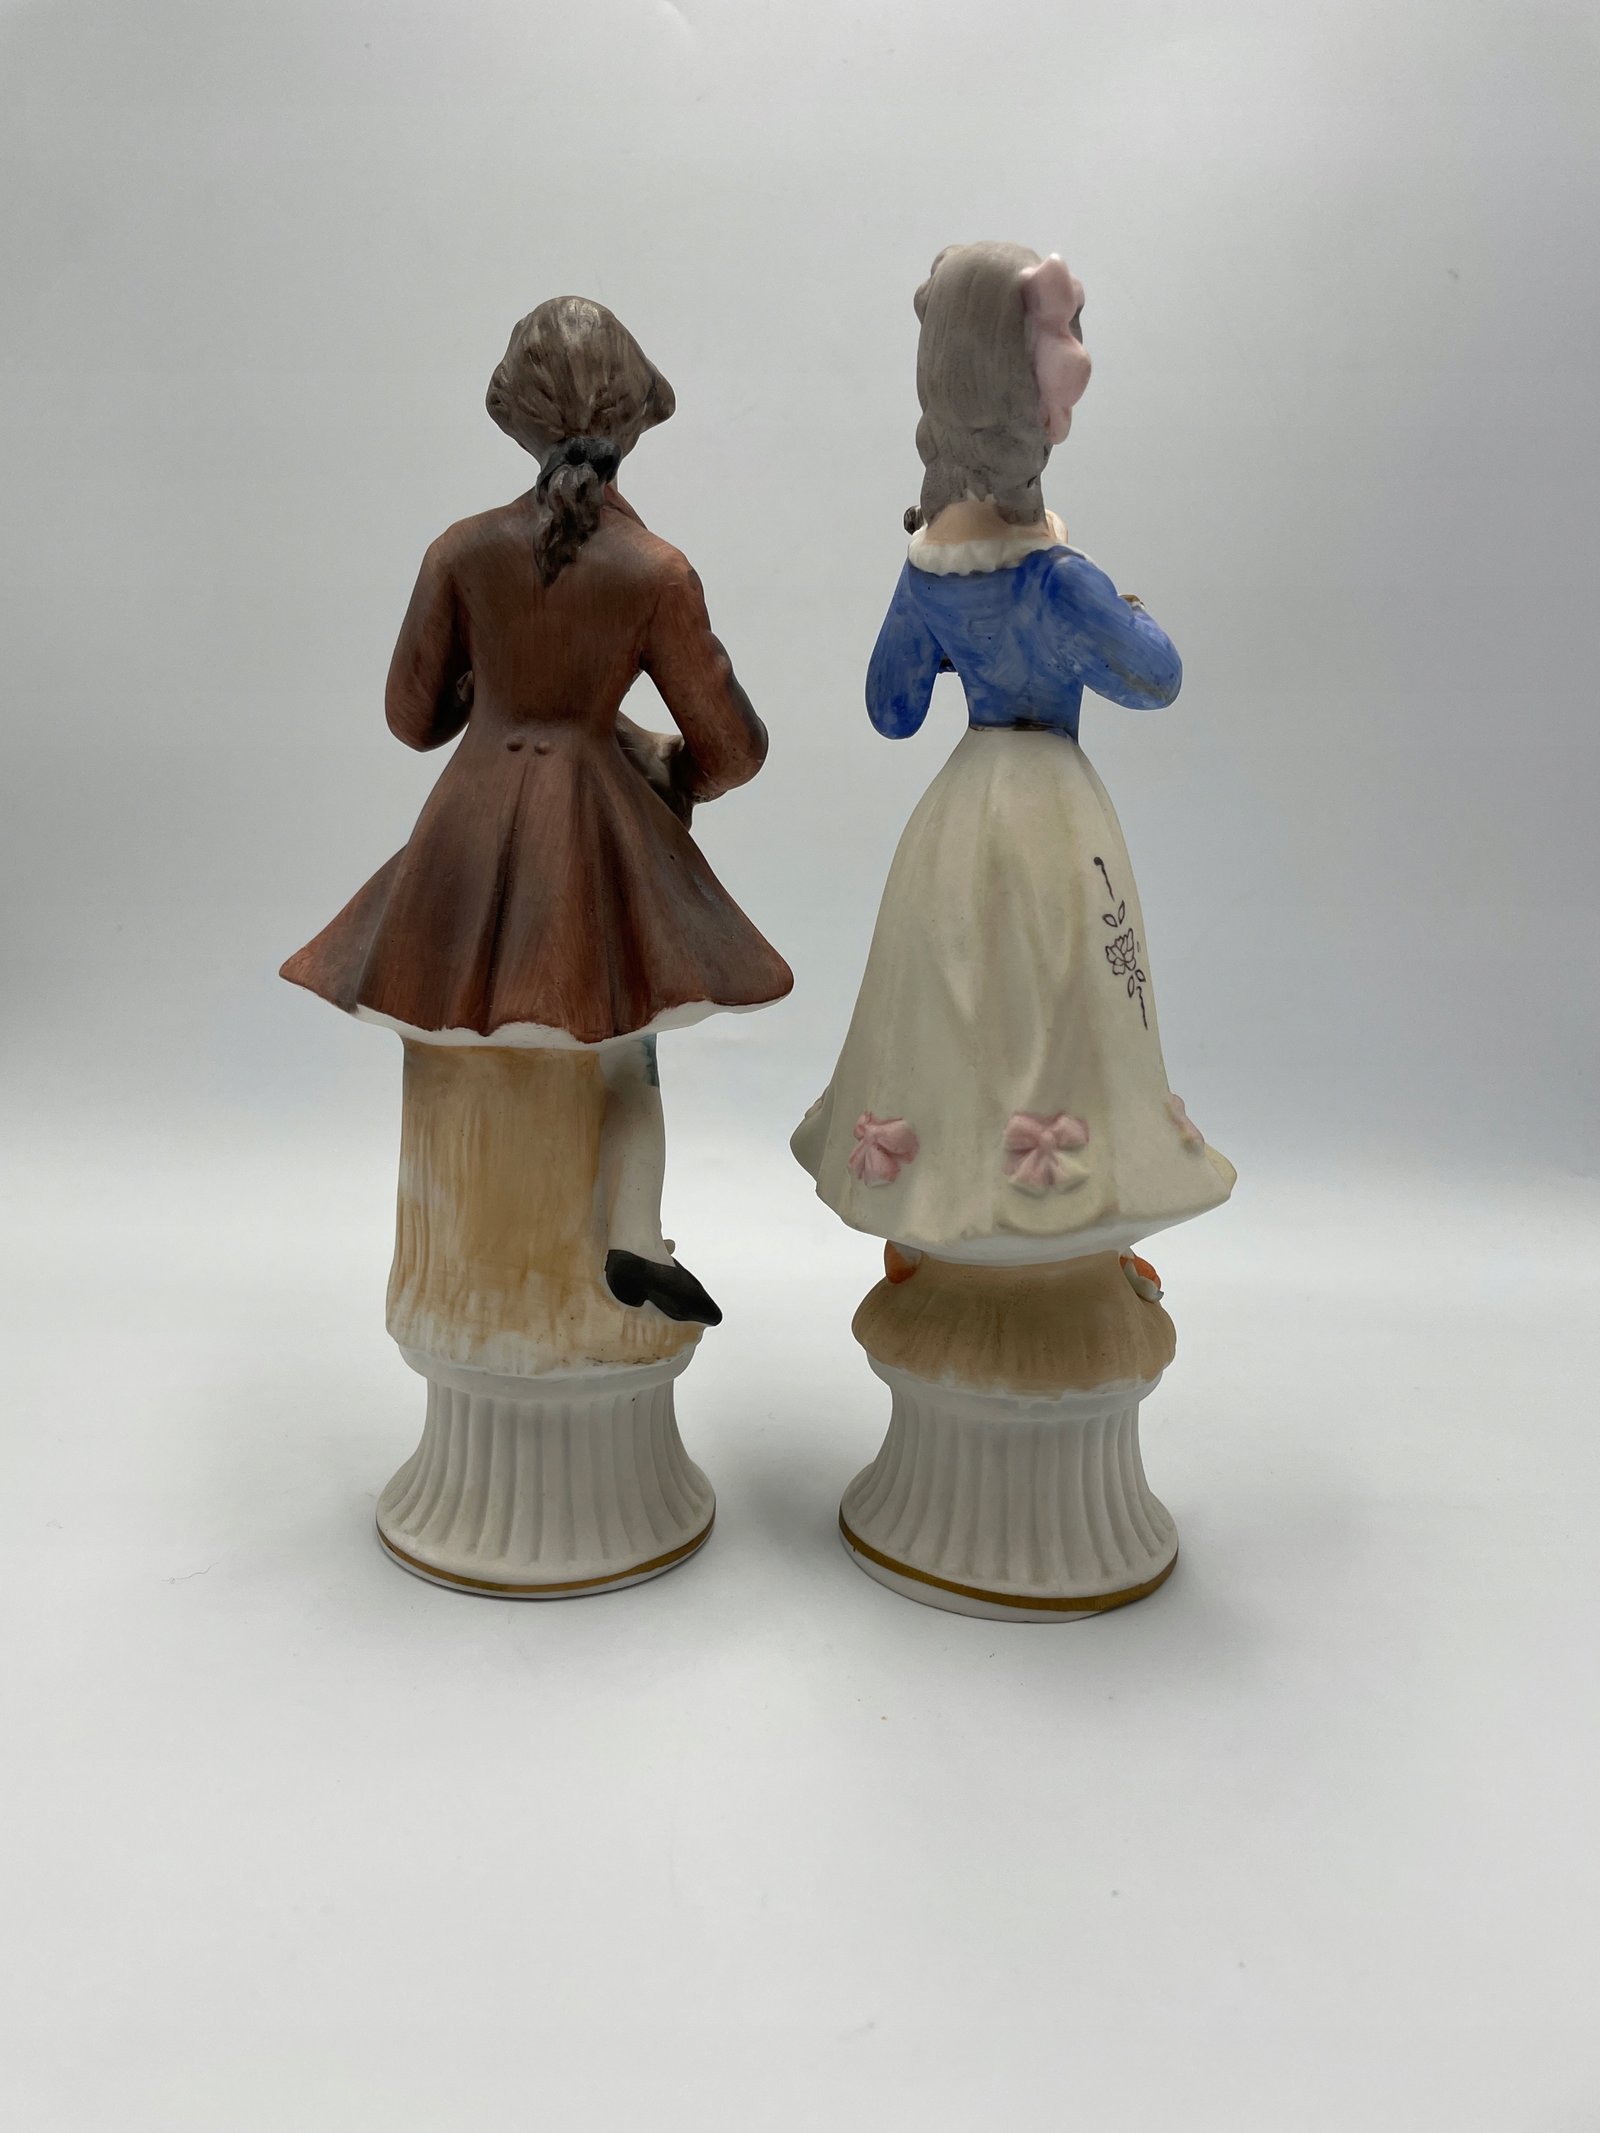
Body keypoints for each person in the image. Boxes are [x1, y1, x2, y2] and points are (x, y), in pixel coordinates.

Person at [284, 296, 791, 1324]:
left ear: (513, 415)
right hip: (591, 845)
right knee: (621, 1040)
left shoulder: (461, 553)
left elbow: (410, 718)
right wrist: (669, 770)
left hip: (464, 846)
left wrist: (491, 694)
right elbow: (735, 748)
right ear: (636, 417)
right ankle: (630, 1236)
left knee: (460, 1026)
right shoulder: (655, 571)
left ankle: (490, 1272)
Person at [792, 241, 1233, 1264]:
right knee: (1056, 989)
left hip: (962, 809)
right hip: (1051, 813)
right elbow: (1155, 677)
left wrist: (953, 632)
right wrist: (1117, 608)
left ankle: (961, 1197)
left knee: (960, 996)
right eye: (1060, 347)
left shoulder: (930, 568)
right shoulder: (1059, 579)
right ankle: (1048, 1202)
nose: (1076, 369)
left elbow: (891, 707)